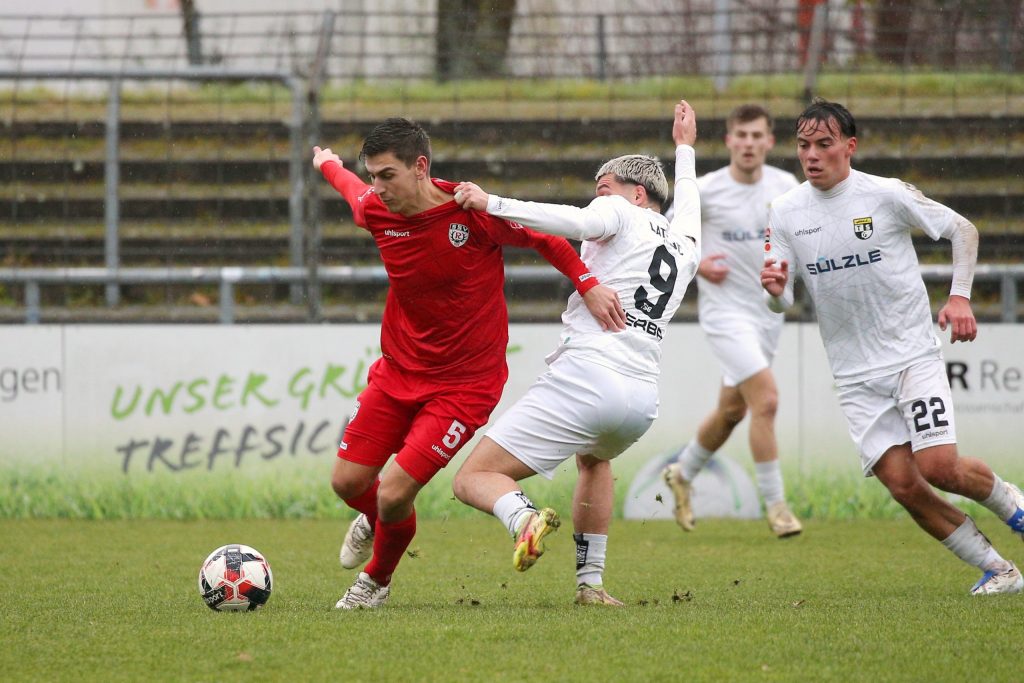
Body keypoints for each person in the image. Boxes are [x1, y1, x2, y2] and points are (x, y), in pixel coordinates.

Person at [312, 117, 626, 609]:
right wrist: (327, 162)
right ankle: (375, 520)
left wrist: (587, 285)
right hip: (397, 372)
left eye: (387, 175)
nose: (377, 187)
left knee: (394, 492)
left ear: (420, 167)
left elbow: (547, 239)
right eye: (372, 175)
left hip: (465, 385)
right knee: (347, 483)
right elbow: (350, 191)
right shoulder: (375, 209)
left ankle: (376, 582)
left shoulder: (473, 211)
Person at [760, 98, 1024, 595]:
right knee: (904, 486)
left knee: (939, 468)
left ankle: (1013, 506)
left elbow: (962, 230)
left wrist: (960, 297)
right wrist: (774, 293)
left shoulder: (885, 194)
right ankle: (1001, 571)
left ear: (849, 147)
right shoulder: (785, 211)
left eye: (823, 144)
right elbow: (781, 299)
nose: (811, 155)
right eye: (802, 145)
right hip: (854, 374)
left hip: (910, 355)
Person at [451, 100, 701, 606]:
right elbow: (690, 200)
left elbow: (566, 221)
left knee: (473, 477)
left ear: (636, 194)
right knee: (594, 463)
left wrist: (491, 201)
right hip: (640, 399)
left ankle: (524, 518)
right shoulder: (686, 243)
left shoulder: (619, 212)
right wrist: (686, 150)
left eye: (603, 190)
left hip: (591, 375)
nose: (597, 201)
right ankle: (591, 586)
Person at [661, 104, 803, 538]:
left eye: (756, 136)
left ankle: (682, 473)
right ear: (728, 141)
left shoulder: (786, 188)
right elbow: (666, 237)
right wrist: (700, 263)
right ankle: (777, 506)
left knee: (731, 411)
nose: (748, 143)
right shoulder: (705, 189)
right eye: (740, 135)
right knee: (768, 401)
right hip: (724, 315)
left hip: (766, 317)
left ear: (768, 142)